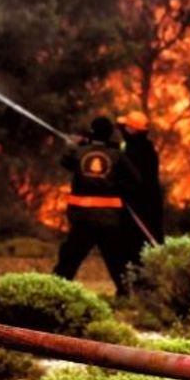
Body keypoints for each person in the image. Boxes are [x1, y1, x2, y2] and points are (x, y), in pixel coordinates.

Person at [53, 116, 142, 295]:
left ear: (91, 132)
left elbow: (65, 162)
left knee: (70, 259)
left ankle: (54, 291)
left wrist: (75, 145)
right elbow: (136, 180)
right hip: (109, 219)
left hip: (82, 218)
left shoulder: (79, 153)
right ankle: (126, 294)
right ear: (110, 134)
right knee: (116, 259)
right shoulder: (117, 155)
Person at [119, 111, 164, 244]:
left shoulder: (138, 150)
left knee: (142, 239)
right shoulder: (144, 147)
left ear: (132, 130)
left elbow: (136, 178)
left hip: (140, 202)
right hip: (146, 200)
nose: (122, 130)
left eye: (125, 127)